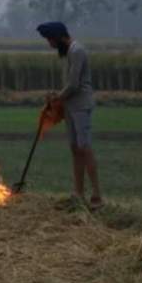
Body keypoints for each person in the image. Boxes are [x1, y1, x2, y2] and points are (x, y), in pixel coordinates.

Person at [36, 21, 103, 210]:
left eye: (51, 40)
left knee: (85, 147)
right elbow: (69, 85)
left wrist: (57, 97)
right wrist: (58, 96)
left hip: (81, 106)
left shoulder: (77, 51)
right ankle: (78, 194)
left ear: (59, 37)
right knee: (75, 149)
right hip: (70, 107)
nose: (50, 44)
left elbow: (74, 84)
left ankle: (97, 196)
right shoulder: (69, 53)